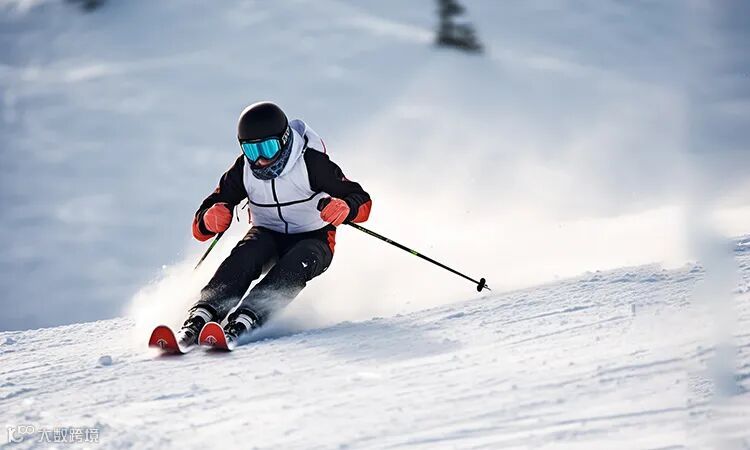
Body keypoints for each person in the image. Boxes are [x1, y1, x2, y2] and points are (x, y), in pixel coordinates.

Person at [176, 101, 371, 347]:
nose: (260, 161)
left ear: (285, 140)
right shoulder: (243, 170)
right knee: (245, 256)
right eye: (251, 151)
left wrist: (346, 207)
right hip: (266, 233)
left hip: (314, 237)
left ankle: (247, 318)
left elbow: (361, 199)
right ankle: (202, 314)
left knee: (297, 262)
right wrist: (209, 220)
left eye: (268, 149)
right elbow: (202, 223)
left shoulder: (311, 164)